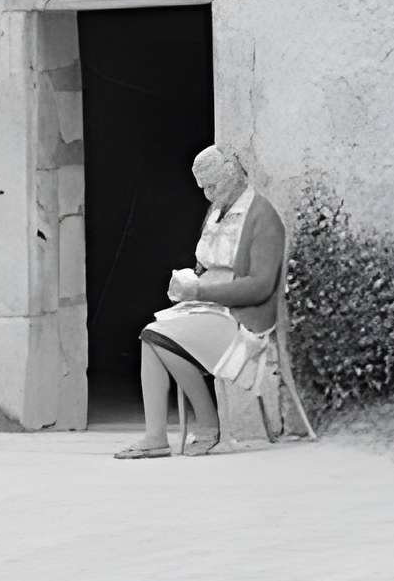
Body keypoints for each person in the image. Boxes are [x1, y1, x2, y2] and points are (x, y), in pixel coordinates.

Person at [114, 144, 286, 458]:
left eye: (212, 185)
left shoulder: (262, 216)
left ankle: (207, 424)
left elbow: (260, 287)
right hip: (207, 308)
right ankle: (157, 436)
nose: (208, 194)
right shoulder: (216, 212)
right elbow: (207, 263)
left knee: (157, 337)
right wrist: (189, 282)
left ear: (232, 175)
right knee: (151, 337)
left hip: (241, 317)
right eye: (203, 188)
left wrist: (200, 292)